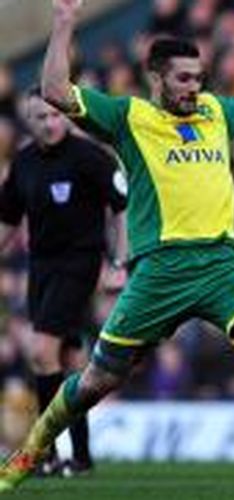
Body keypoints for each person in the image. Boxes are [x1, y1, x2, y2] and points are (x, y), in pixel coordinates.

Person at [0, 0, 234, 493]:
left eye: (198, 77)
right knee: (97, 381)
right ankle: (31, 450)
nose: (194, 87)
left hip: (223, 265)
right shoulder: (128, 116)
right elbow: (53, 91)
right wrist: (65, 23)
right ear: (156, 79)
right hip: (160, 272)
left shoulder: (216, 112)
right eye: (183, 79)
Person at [0, 88, 127, 477]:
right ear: (29, 121)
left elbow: (122, 207)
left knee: (42, 352)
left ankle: (45, 454)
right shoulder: (23, 163)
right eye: (41, 118)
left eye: (56, 116)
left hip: (80, 263)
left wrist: (119, 261)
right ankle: (82, 457)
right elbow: (7, 219)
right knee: (71, 364)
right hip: (42, 266)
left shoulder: (89, 157)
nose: (50, 123)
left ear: (66, 118)